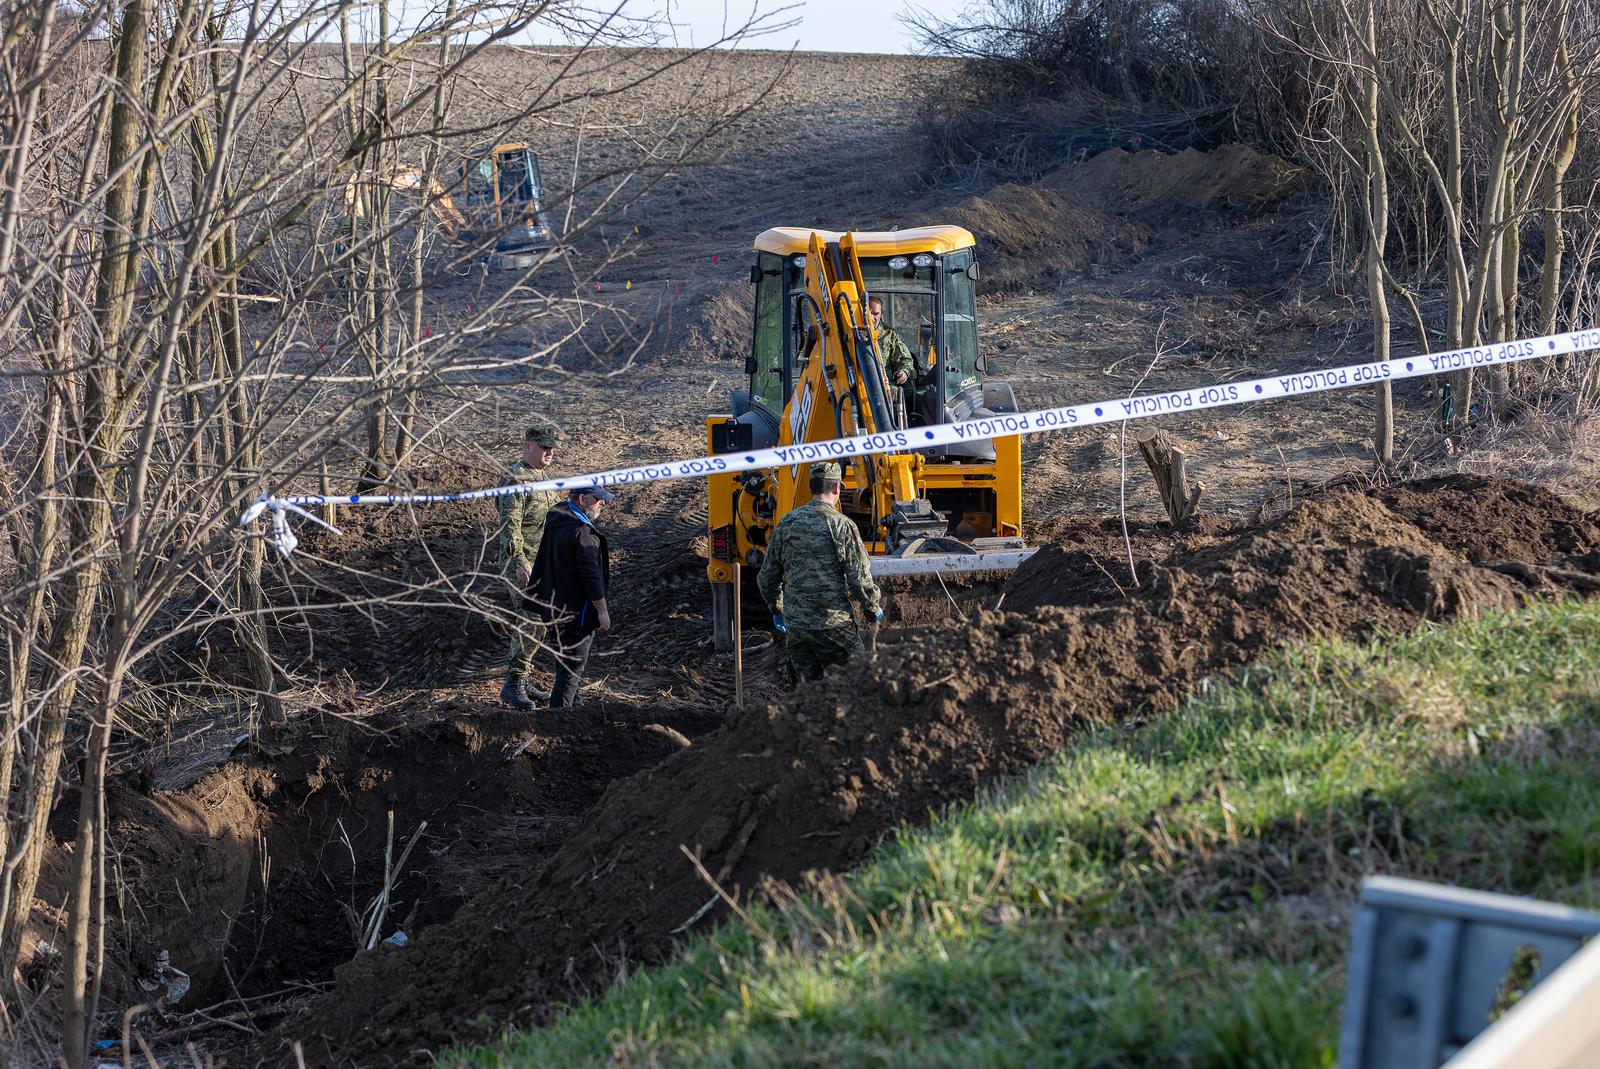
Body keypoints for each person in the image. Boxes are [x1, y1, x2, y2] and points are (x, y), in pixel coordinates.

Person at [757, 461, 884, 682]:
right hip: (834, 626)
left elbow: (766, 577)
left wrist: (778, 609)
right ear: (837, 488)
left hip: (797, 628)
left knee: (806, 694)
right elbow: (859, 577)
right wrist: (872, 608)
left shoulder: (787, 523)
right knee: (858, 682)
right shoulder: (842, 526)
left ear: (811, 487)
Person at [528, 486, 614, 708]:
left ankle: (573, 708)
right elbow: (591, 575)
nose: (602, 503)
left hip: (553, 609)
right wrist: (602, 611)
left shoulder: (557, 518)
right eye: (599, 499)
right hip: (576, 613)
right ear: (583, 499)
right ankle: (559, 719)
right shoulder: (582, 532)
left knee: (564, 663)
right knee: (572, 668)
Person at [496, 424, 560, 709]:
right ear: (527, 447)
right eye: (543, 447)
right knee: (531, 622)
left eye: (551, 448)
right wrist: (520, 560)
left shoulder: (543, 477)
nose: (548, 452)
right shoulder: (517, 480)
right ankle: (513, 684)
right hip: (520, 565)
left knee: (539, 623)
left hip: (541, 563)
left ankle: (522, 678)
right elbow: (510, 525)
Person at [868, 295, 917, 388]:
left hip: (884, 385)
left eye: (875, 314)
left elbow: (906, 360)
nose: (871, 318)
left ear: (881, 313)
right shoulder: (851, 333)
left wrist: (904, 371)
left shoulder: (890, 334)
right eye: (868, 313)